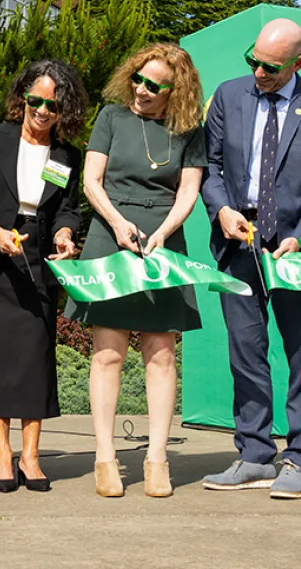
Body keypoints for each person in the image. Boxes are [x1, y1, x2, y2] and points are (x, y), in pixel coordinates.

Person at [201, 18, 301, 499]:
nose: (259, 72)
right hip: (235, 242)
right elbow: (210, 166)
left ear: (298, 64)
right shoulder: (228, 95)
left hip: (293, 250)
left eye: (271, 66)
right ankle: (254, 454)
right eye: (253, 60)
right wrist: (221, 208)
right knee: (246, 353)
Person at [63, 43, 206, 498]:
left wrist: (164, 230)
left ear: (175, 90)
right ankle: (105, 457)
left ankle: (157, 458)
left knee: (161, 351)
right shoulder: (111, 117)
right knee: (108, 352)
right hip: (112, 232)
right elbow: (91, 181)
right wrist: (119, 222)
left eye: (154, 85)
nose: (142, 90)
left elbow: (189, 191)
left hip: (163, 236)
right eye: (138, 80)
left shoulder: (190, 130)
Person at [0, 59, 86, 493]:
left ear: (65, 110)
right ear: (21, 98)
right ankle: (3, 454)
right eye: (35, 101)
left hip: (37, 258)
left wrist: (65, 233)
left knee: (33, 360)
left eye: (53, 105)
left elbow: (66, 207)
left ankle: (31, 455)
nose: (42, 111)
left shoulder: (66, 155)